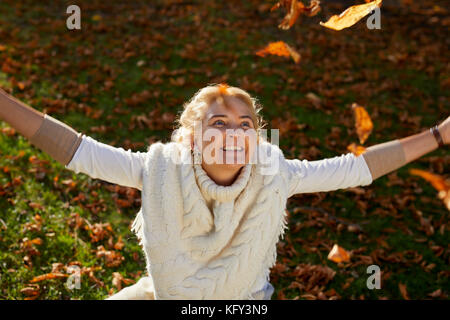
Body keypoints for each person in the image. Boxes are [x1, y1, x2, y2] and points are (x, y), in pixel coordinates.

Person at [0, 84, 448, 299]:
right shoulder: (157, 170)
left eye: (245, 124)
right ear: (192, 139)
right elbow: (78, 151)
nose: (234, 131)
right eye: (219, 122)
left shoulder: (276, 174)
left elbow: (357, 168)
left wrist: (439, 135)